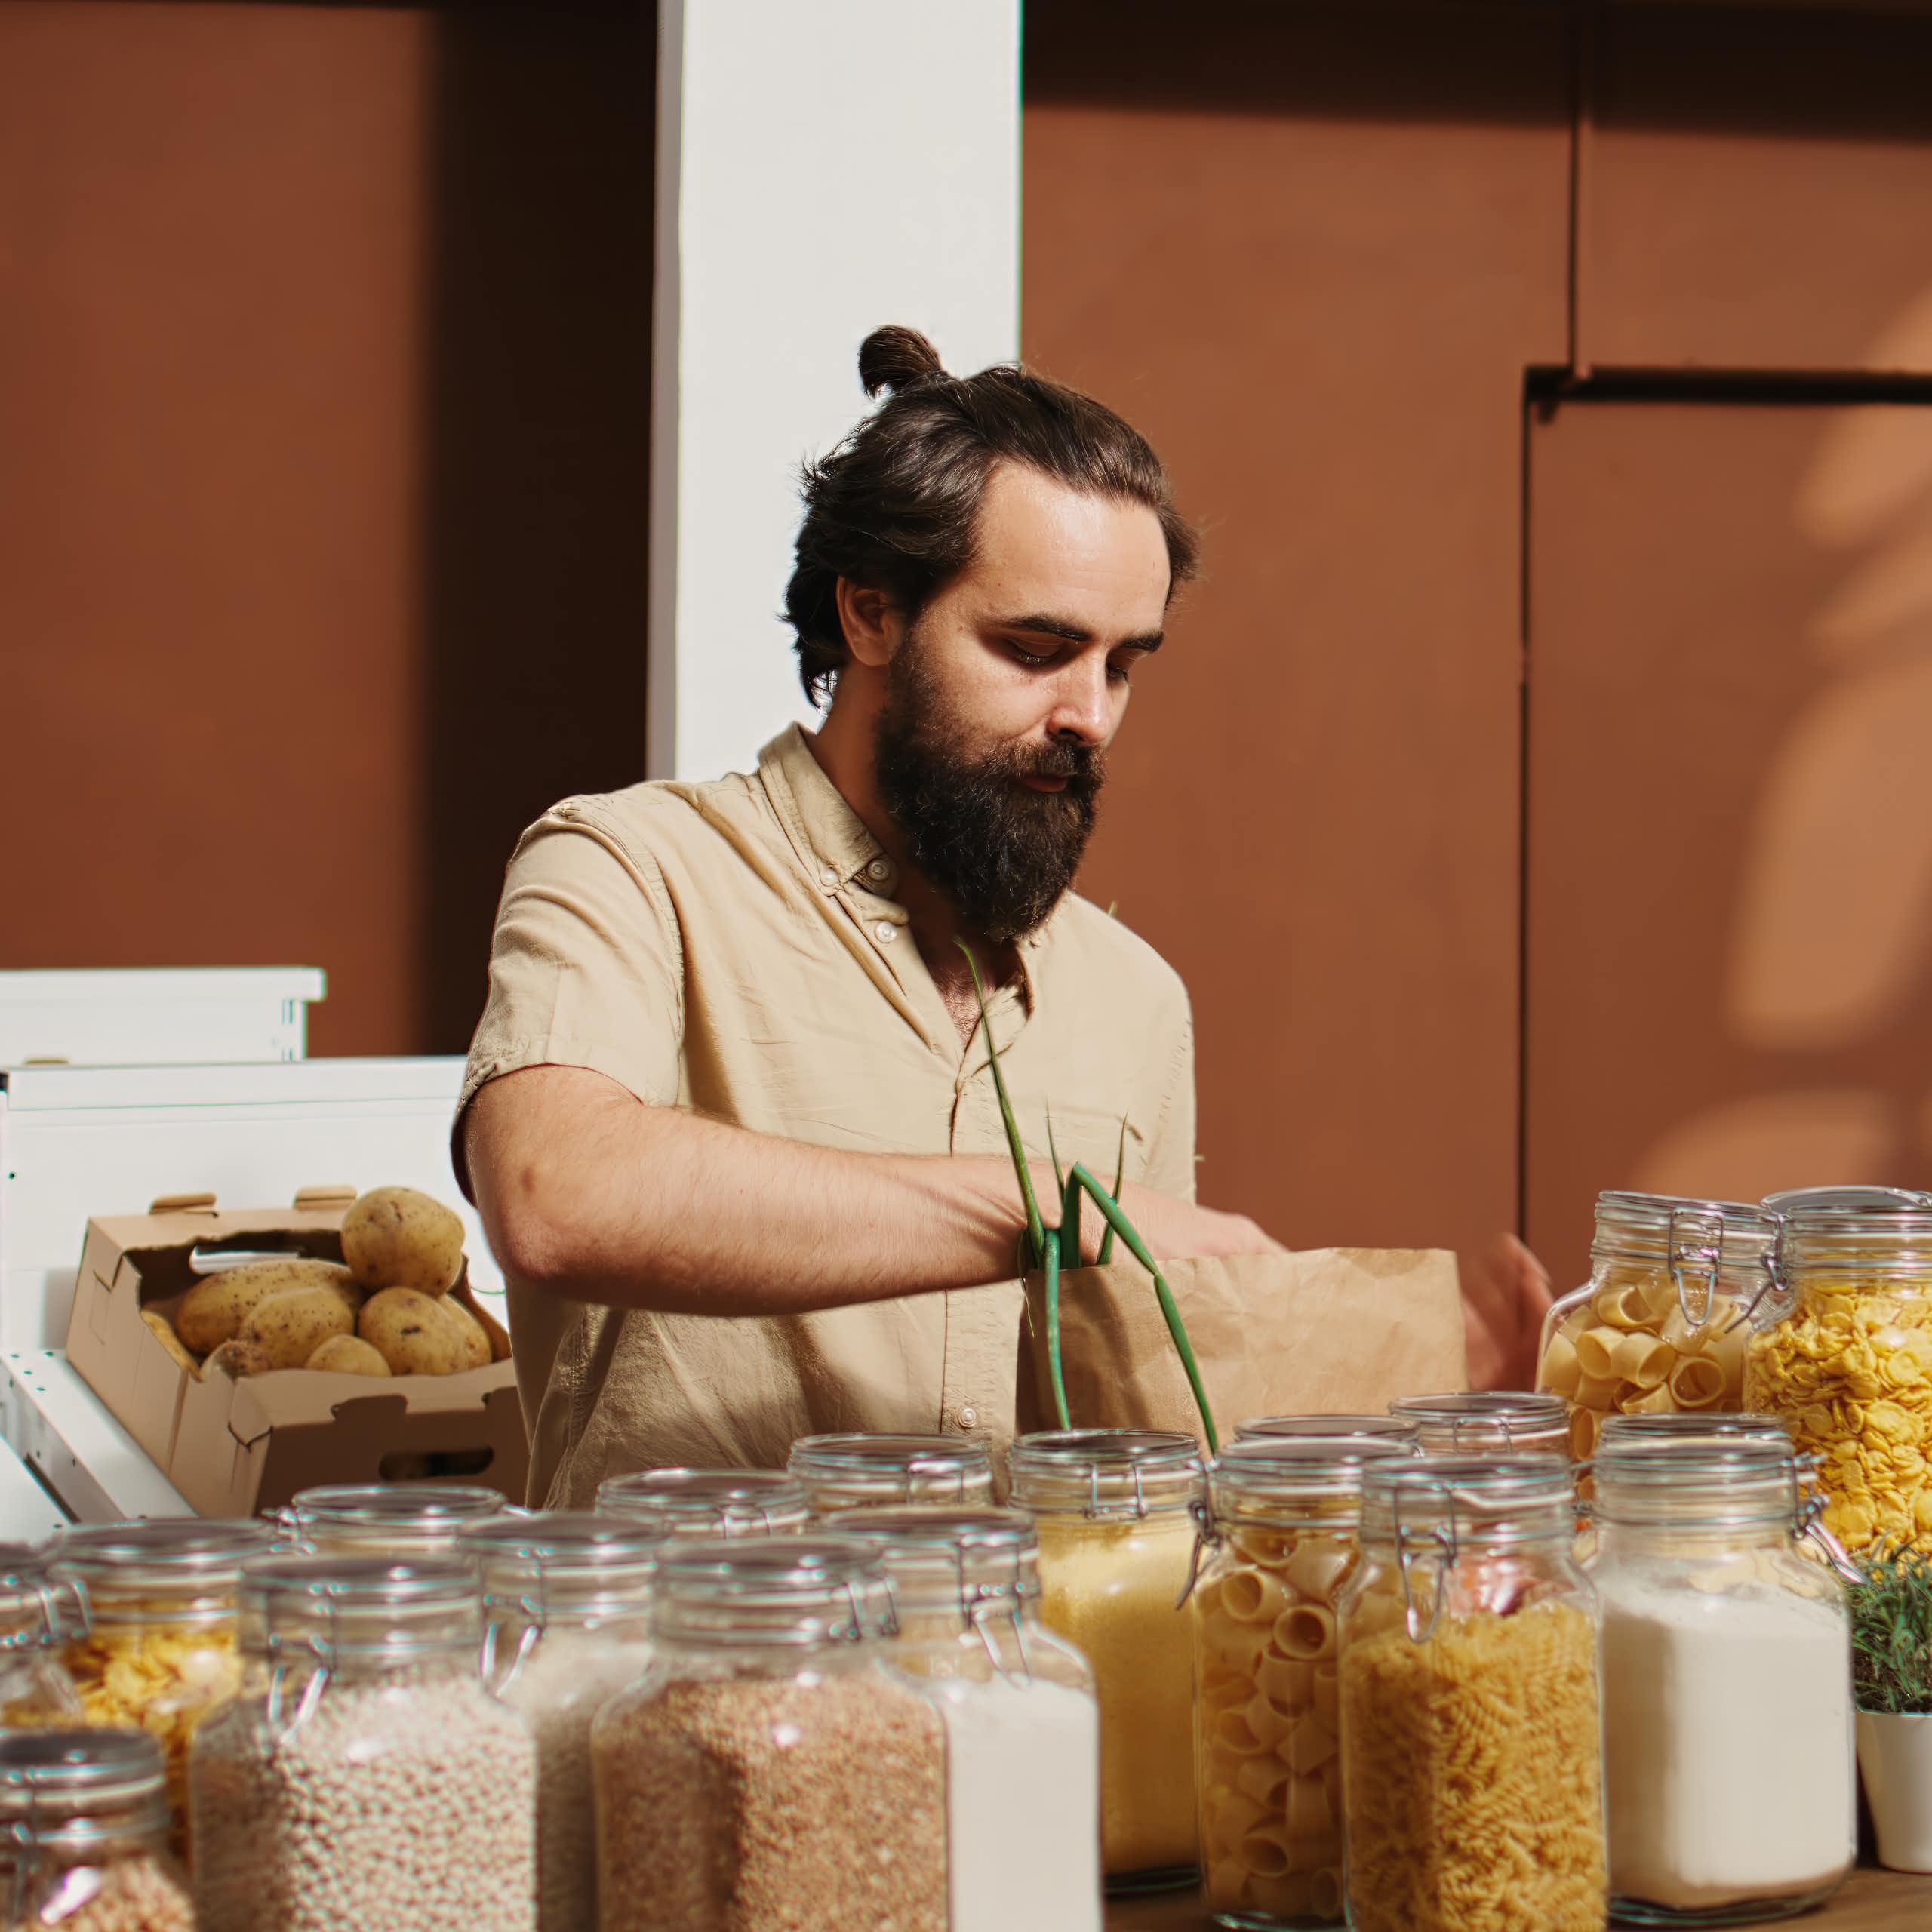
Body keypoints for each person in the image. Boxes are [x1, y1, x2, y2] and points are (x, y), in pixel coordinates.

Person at [457, 325, 1551, 1507]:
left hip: (1023, 1677)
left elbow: (1134, 1419)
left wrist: (1406, 1406)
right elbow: (552, 1194)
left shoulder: (1135, 999)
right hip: (694, 1669)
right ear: (871, 614)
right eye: (1035, 650)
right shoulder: (633, 867)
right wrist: (1052, 1213)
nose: (1090, 714)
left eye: (1123, 665)